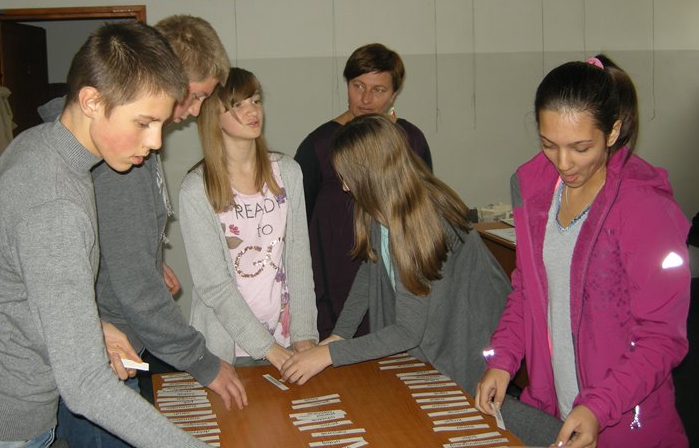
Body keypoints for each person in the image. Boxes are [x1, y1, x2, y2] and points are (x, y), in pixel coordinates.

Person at [0, 22, 270, 448]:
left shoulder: (45, 148)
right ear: (91, 101)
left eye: (159, 123)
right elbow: (87, 386)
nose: (156, 141)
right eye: (143, 123)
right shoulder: (57, 203)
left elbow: (13, 287)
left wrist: (93, 326)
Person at [43, 15, 245, 448]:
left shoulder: (128, 145)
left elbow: (113, 245)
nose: (196, 110)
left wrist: (148, 259)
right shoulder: (118, 160)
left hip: (107, 340)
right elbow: (134, 289)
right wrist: (203, 364)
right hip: (100, 357)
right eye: (195, 95)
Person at [474, 55, 691, 448]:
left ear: (612, 131)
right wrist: (502, 359)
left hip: (622, 424)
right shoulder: (538, 191)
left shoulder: (647, 210)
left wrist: (597, 406)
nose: (563, 162)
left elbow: (662, 339)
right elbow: (528, 293)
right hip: (551, 410)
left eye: (580, 147)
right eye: (548, 144)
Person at [281, 114, 510, 394]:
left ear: (371, 174)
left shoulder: (419, 224)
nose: (344, 187)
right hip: (439, 338)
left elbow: (408, 331)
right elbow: (369, 270)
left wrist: (329, 355)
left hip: (471, 341)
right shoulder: (383, 205)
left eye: (347, 177)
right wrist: (339, 336)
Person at [179, 67, 318, 370]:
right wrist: (268, 349)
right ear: (213, 115)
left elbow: (298, 259)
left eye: (255, 100)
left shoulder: (287, 172)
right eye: (238, 105)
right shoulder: (197, 189)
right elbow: (214, 285)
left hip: (286, 341)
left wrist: (305, 334)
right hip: (228, 349)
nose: (252, 111)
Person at [295, 43, 432, 339]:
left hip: (398, 284)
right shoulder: (317, 146)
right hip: (336, 289)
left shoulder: (412, 140)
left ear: (394, 93)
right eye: (358, 86)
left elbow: (425, 216)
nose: (366, 99)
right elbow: (296, 228)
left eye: (378, 90)